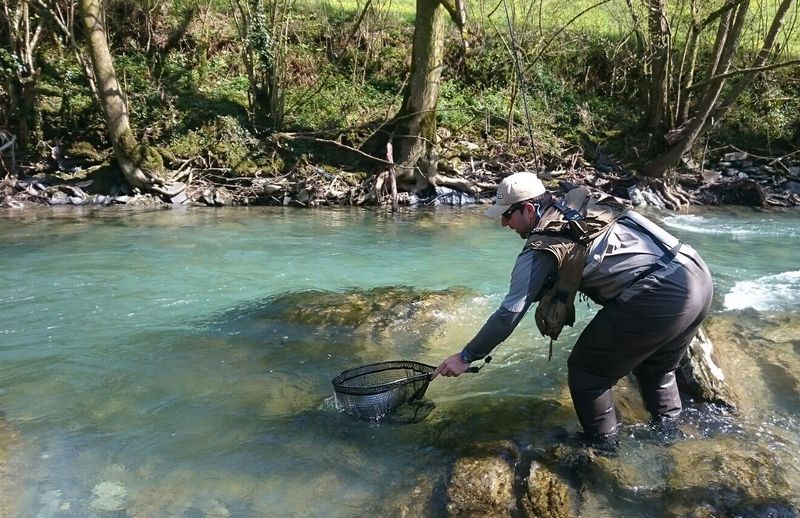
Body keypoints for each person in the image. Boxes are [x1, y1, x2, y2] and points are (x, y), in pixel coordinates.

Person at [432, 172, 713, 446]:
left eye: (507, 215)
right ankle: (671, 438)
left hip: (660, 293)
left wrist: (467, 355)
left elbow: (509, 312)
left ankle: (602, 448)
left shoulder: (543, 244)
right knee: (657, 369)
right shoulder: (579, 204)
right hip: (696, 274)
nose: (504, 224)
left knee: (586, 372)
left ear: (529, 209)